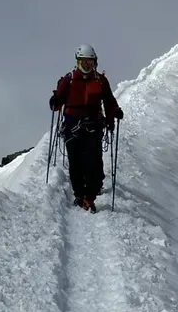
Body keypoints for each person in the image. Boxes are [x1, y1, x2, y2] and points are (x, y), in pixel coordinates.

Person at [49, 44, 123, 212]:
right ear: (77, 61)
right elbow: (59, 100)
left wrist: (115, 112)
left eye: (89, 62)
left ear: (94, 62)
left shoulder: (100, 81)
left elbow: (109, 101)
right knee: (75, 162)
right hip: (72, 126)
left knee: (93, 162)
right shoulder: (68, 80)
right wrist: (54, 102)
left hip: (92, 125)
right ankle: (79, 195)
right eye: (83, 61)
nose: (86, 65)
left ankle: (89, 198)